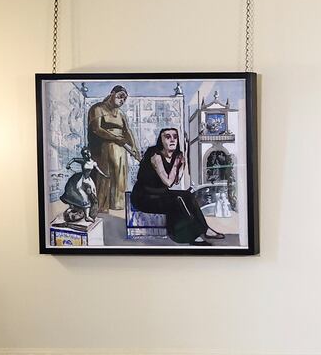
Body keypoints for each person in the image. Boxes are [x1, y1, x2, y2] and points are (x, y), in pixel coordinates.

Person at [130, 127, 225, 245]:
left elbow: (176, 181)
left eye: (175, 137)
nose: (172, 140)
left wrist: (181, 165)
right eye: (168, 137)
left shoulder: (176, 155)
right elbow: (168, 182)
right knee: (177, 200)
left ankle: (205, 229)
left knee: (187, 195)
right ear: (161, 140)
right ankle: (192, 236)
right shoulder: (155, 156)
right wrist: (176, 164)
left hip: (160, 194)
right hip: (144, 196)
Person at [86, 85, 140, 213]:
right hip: (104, 147)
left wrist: (134, 148)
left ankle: (117, 205)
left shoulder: (121, 114)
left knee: (120, 176)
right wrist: (116, 138)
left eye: (124, 99)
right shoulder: (98, 108)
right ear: (112, 94)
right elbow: (97, 129)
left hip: (121, 148)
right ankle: (102, 206)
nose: (122, 100)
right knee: (106, 176)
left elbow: (127, 131)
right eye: (120, 96)